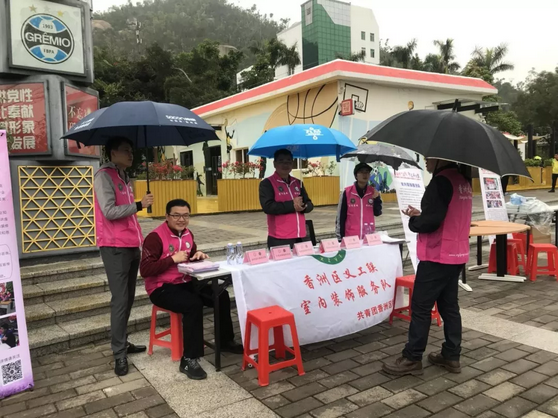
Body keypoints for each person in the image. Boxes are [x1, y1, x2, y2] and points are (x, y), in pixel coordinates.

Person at [382, 159, 473, 376]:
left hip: (437, 255)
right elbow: (446, 215)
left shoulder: (441, 181)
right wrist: (422, 215)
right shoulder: (463, 181)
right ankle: (451, 355)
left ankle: (412, 358)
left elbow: (432, 221)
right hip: (456, 254)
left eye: (429, 156)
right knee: (450, 307)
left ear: (441, 158)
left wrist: (415, 222)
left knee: (421, 307)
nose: (425, 159)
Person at [140, 199, 243, 380]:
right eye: (176, 215)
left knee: (221, 294)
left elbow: (189, 257)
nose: (181, 219)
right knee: (193, 305)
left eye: (185, 215)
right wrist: (172, 259)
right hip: (161, 288)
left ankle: (225, 341)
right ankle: (189, 359)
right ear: (167, 216)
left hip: (186, 282)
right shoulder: (155, 238)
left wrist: (197, 256)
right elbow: (145, 270)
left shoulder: (188, 234)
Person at [94, 136, 154, 376]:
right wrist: (139, 205)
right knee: (120, 300)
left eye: (131, 150)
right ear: (112, 153)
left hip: (131, 244)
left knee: (128, 299)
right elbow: (109, 211)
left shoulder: (124, 177)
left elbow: (126, 214)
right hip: (114, 247)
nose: (131, 154)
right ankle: (119, 352)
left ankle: (123, 341)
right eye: (126, 150)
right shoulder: (104, 176)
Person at [259, 149, 314, 248]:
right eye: (281, 161)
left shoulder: (298, 182)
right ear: (274, 164)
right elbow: (268, 207)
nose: (285, 164)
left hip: (301, 236)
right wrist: (292, 205)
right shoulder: (267, 183)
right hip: (280, 238)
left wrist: (304, 206)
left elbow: (309, 204)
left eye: (289, 161)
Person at [336, 162, 382, 240]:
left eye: (367, 172)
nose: (365, 174)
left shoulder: (373, 192)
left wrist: (376, 199)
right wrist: (340, 238)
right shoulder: (347, 192)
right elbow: (340, 217)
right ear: (356, 175)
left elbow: (377, 213)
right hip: (351, 238)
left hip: (368, 238)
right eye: (361, 172)